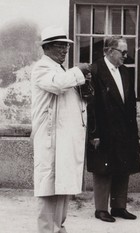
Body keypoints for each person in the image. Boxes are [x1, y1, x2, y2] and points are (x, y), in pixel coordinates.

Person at [31, 26, 91, 233]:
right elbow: (58, 85)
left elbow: (70, 96)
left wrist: (85, 89)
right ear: (47, 48)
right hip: (50, 138)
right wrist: (80, 71)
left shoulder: (61, 69)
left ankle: (59, 228)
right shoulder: (42, 68)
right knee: (48, 187)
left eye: (66, 47)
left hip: (64, 138)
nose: (65, 51)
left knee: (62, 186)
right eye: (60, 47)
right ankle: (48, 230)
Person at [86, 36, 140, 222]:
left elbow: (130, 103)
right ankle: (101, 209)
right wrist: (94, 134)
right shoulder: (95, 71)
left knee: (123, 167)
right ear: (109, 51)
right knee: (103, 169)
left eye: (127, 52)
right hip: (103, 130)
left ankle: (119, 207)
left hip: (124, 129)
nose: (126, 56)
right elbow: (90, 107)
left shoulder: (125, 72)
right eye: (122, 52)